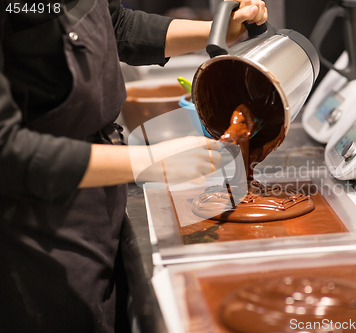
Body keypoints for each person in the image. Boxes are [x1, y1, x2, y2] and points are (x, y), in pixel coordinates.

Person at [0, 0, 268, 332]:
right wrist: (148, 161)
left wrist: (215, 31)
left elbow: (116, 25)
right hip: (35, 229)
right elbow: (7, 151)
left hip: (99, 199)